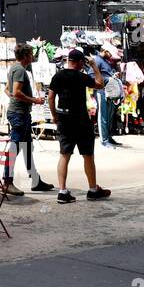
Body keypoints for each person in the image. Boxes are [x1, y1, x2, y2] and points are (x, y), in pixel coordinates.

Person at [46, 49, 111, 204]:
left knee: (64, 154)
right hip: (81, 120)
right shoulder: (81, 77)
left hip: (64, 118)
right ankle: (93, 189)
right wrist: (95, 66)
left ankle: (62, 191)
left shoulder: (58, 76)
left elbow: (50, 96)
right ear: (80, 62)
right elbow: (100, 84)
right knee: (87, 155)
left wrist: (54, 116)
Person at [4, 43, 50, 196]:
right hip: (19, 114)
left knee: (27, 148)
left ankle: (35, 180)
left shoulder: (14, 68)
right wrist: (34, 100)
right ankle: (7, 181)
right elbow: (16, 92)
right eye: (30, 54)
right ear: (25, 56)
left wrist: (17, 99)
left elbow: (8, 90)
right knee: (15, 147)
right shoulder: (19, 70)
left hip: (19, 113)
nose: (32, 57)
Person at [92, 47, 121, 147]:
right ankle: (104, 140)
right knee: (103, 116)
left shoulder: (105, 61)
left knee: (109, 116)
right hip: (101, 91)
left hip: (109, 92)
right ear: (105, 51)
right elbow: (92, 76)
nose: (111, 56)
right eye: (110, 53)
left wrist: (113, 76)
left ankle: (108, 137)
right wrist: (108, 79)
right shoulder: (97, 60)